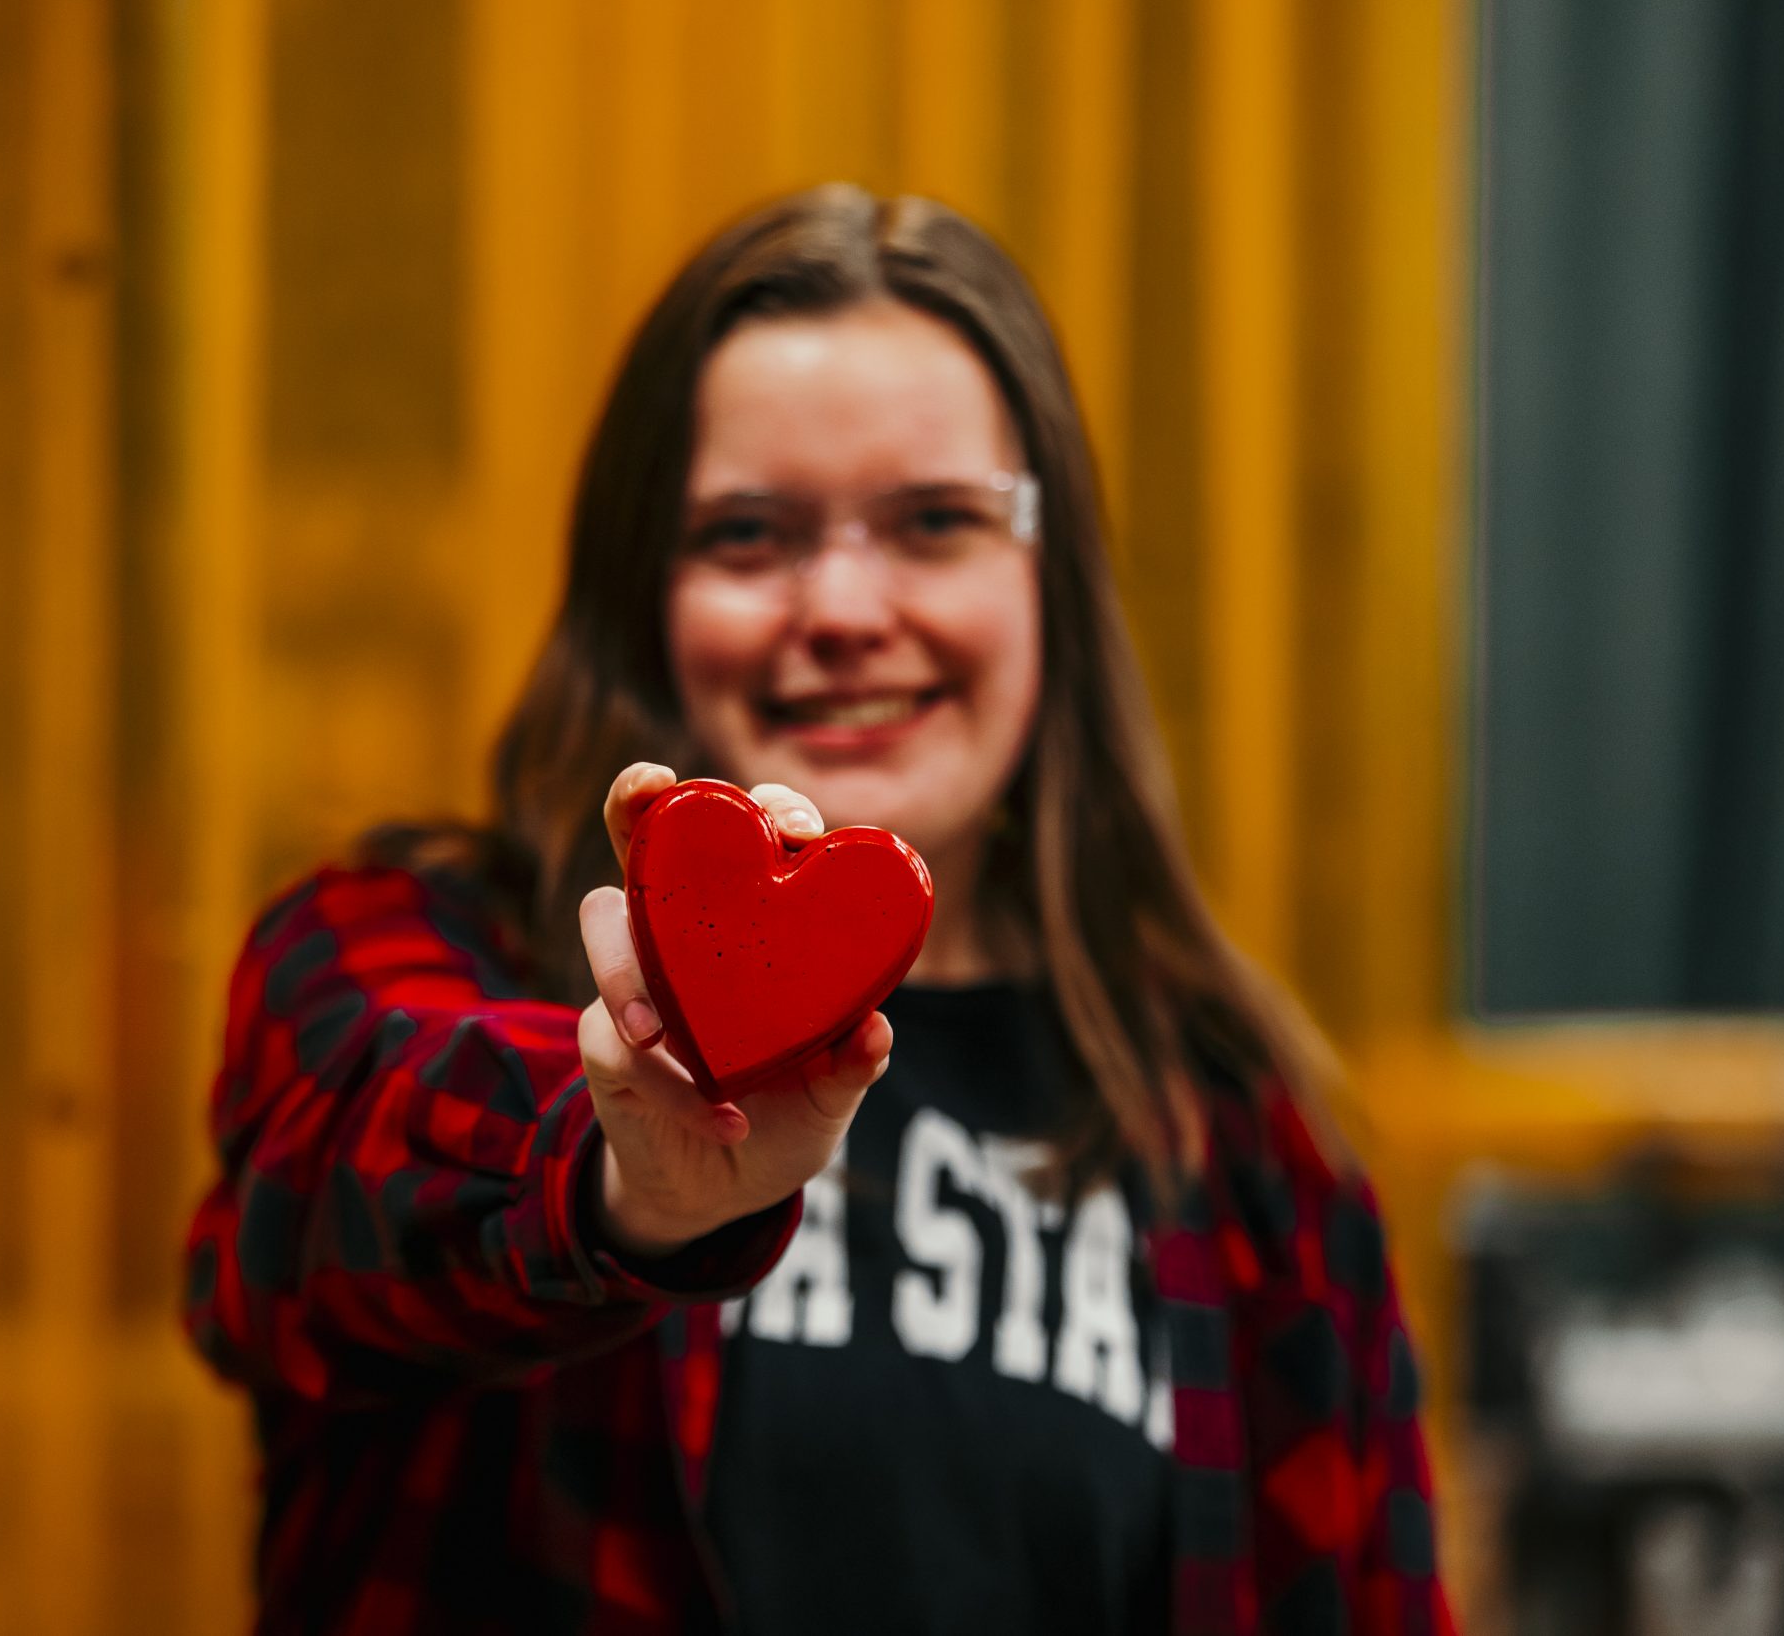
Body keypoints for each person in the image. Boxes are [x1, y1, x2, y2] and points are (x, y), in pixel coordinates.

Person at [182, 185, 1452, 1636]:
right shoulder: (395, 942)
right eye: (749, 535)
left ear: (1049, 577)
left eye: (934, 523)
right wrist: (625, 1189)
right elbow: (294, 1246)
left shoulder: (1249, 1158)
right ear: (640, 589)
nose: (845, 606)